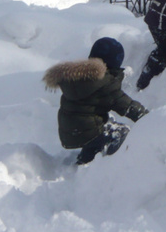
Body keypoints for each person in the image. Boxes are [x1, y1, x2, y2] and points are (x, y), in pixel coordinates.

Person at [43, 37, 148, 165]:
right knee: (121, 132)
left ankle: (86, 158)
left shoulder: (78, 76)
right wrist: (147, 117)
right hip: (86, 132)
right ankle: (109, 164)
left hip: (70, 132)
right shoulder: (103, 83)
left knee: (101, 123)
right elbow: (126, 105)